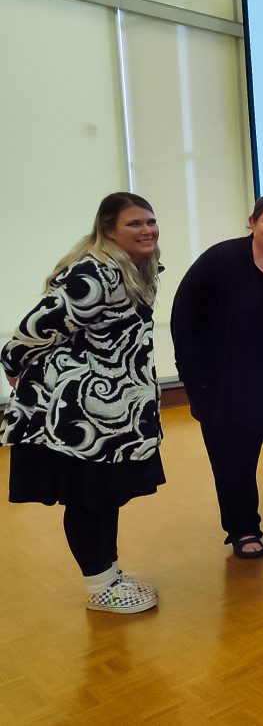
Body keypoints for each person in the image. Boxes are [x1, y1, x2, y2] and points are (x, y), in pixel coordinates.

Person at [2, 193, 163, 613]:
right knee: (86, 495)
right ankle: (99, 585)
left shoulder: (131, 268)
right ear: (108, 228)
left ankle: (107, 573)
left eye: (150, 221)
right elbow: (36, 325)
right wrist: (13, 363)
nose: (147, 229)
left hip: (109, 412)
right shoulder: (95, 272)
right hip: (80, 415)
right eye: (135, 224)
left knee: (103, 496)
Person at [170, 195, 263, 558]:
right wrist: (194, 382)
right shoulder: (221, 260)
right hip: (229, 390)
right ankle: (243, 528)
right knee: (234, 464)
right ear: (252, 222)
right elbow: (185, 319)